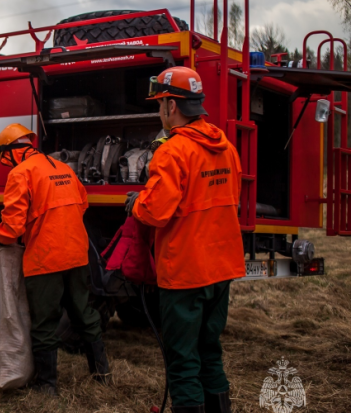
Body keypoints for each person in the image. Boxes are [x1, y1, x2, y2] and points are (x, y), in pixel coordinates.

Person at [128, 66, 244, 413]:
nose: (159, 112)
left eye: (159, 104)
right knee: (210, 350)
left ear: (172, 106)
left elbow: (155, 212)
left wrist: (136, 203)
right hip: (221, 267)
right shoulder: (226, 148)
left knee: (182, 359)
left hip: (185, 272)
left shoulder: (172, 151)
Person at [0, 123, 110, 396]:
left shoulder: (21, 173)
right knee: (84, 314)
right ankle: (101, 374)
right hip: (76, 254)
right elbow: (82, 203)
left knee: (44, 322)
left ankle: (47, 385)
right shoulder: (62, 168)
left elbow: (13, 225)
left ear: (9, 152)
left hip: (45, 259)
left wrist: (0, 241)